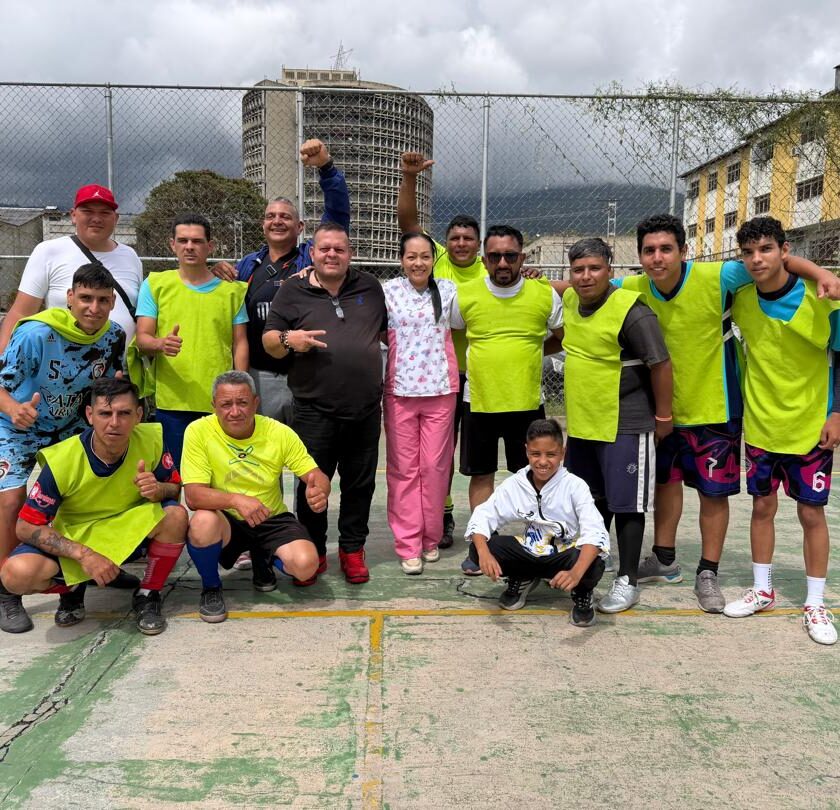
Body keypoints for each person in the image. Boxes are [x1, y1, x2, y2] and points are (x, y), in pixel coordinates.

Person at [617, 214, 839, 612]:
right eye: (649, 250)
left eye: (666, 248)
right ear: (640, 256)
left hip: (718, 409)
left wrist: (821, 271)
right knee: (667, 484)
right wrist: (535, 282)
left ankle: (709, 572)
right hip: (666, 410)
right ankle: (665, 560)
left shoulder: (721, 277)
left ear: (684, 251)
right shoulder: (637, 287)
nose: (657, 257)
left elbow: (776, 262)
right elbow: (592, 282)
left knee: (715, 494)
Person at [723, 217, 839, 646]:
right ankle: (763, 590)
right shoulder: (741, 300)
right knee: (762, 508)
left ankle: (815, 602)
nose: (757, 259)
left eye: (766, 249)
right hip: (761, 425)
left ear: (785, 250)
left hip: (810, 426)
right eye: (749, 252)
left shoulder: (821, 297)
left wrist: (836, 413)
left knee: (811, 513)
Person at [0, 378, 187, 635]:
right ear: (90, 415)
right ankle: (73, 588)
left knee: (175, 515)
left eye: (124, 413)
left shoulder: (151, 438)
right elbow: (25, 526)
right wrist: (85, 556)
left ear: (139, 415)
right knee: (16, 574)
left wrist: (158, 489)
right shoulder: (62, 459)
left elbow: (175, 489)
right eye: (105, 413)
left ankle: (148, 593)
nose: (114, 422)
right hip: (78, 535)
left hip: (128, 529)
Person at [0, 263, 126, 629]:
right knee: (11, 500)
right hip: (18, 424)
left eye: (102, 300)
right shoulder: (36, 333)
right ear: (69, 298)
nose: (93, 308)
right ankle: (7, 590)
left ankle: (75, 581)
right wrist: (14, 409)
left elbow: (108, 388)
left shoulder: (114, 337)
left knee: (78, 498)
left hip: (69, 424)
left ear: (112, 302)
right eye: (85, 298)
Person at [263, 223, 387, 585]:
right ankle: (314, 550)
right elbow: (269, 341)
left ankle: (352, 550)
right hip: (313, 410)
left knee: (359, 486)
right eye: (325, 249)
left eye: (340, 249)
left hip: (365, 409)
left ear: (350, 254)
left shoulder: (370, 287)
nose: (332, 254)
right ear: (312, 253)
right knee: (312, 485)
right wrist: (290, 339)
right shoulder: (293, 290)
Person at [562, 237, 673, 614]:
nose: (586, 276)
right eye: (578, 270)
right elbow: (556, 290)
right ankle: (596, 557)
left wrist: (663, 417)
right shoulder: (571, 300)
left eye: (594, 268)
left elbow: (661, 364)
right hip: (584, 422)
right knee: (590, 499)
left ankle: (628, 579)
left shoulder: (632, 311)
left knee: (627, 504)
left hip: (625, 422)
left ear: (610, 270)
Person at [449, 224, 564, 574]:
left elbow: (561, 336)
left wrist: (530, 353)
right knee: (481, 476)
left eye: (510, 256)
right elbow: (452, 333)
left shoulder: (543, 294)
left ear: (522, 258)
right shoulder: (464, 295)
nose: (502, 262)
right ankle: (480, 546)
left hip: (527, 403)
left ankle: (537, 544)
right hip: (479, 401)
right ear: (484, 259)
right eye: (495, 256)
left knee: (534, 477)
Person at [214, 138, 351, 427]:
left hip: (307, 373)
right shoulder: (247, 265)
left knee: (307, 449)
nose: (277, 221)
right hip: (261, 375)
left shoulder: (310, 258)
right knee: (264, 451)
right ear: (263, 225)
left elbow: (337, 215)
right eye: (271, 216)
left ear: (300, 227)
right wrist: (212, 271)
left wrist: (326, 168)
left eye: (285, 217)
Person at [181, 372, 330, 623]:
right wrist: (236, 500)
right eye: (226, 404)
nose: (235, 411)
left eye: (242, 403)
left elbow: (316, 475)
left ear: (256, 402)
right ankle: (211, 588)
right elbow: (194, 496)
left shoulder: (278, 432)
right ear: (214, 406)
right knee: (202, 523)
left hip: (270, 517)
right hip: (227, 520)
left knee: (306, 566)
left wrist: (319, 491)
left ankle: (263, 558)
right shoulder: (198, 431)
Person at [398, 151, 486, 549]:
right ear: (444, 246)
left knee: (475, 456)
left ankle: (483, 521)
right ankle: (442, 513)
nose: (461, 243)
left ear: (478, 244)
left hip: (479, 375)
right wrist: (409, 177)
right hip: (439, 378)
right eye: (455, 239)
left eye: (468, 239)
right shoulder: (436, 263)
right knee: (439, 455)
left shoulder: (490, 270)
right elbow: (408, 225)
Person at [132, 213, 249, 468]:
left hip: (219, 401)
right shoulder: (155, 284)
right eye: (183, 240)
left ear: (210, 246)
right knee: (175, 476)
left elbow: (240, 343)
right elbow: (142, 338)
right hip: (172, 402)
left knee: (220, 476)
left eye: (197, 241)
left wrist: (241, 388)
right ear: (172, 244)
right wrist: (160, 344)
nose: (189, 246)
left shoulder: (232, 291)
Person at [465, 418, 609, 624]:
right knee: (480, 547)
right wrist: (484, 554)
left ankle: (582, 593)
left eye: (551, 454)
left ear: (562, 452)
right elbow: (483, 515)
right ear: (526, 451)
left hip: (561, 554)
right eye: (535, 454)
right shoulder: (516, 483)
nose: (542, 461)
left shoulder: (575, 486)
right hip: (528, 550)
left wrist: (576, 573)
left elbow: (595, 531)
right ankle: (522, 577)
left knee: (594, 560)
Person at [383, 233, 459, 575]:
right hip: (400, 392)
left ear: (434, 259)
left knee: (435, 468)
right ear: (402, 260)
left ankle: (431, 538)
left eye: (425, 256)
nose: (418, 263)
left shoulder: (449, 290)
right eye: (411, 256)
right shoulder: (387, 292)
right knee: (403, 470)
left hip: (440, 391)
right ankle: (408, 543)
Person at [0, 183, 142, 352]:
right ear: (73, 215)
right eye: (88, 211)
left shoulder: (130, 256)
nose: (96, 219)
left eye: (105, 213)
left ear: (116, 218)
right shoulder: (49, 251)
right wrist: (4, 359)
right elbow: (21, 313)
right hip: (62, 365)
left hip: (119, 366)